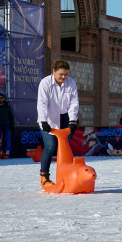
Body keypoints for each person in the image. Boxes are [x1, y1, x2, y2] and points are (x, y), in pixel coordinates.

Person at [36, 60, 79, 188]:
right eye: (61, 74)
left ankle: (67, 176)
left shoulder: (71, 83)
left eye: (66, 74)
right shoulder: (45, 83)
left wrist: (72, 120)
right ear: (53, 71)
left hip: (65, 118)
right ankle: (44, 177)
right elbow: (42, 103)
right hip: (48, 118)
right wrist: (43, 120)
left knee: (65, 147)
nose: (63, 77)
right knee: (50, 146)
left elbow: (74, 103)